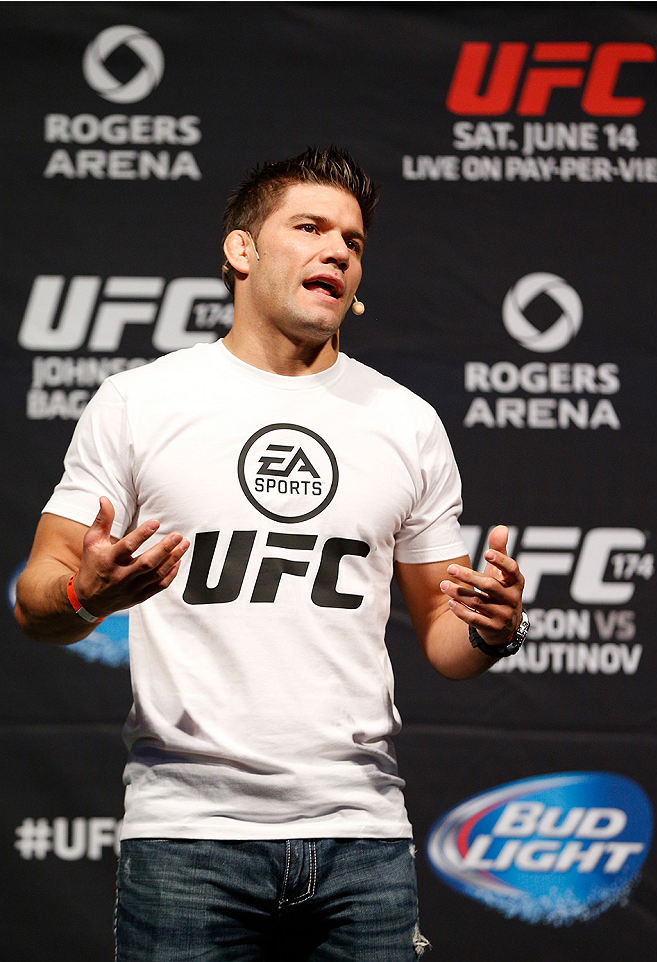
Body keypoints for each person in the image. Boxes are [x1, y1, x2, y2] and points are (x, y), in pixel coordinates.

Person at [15, 146, 527, 961]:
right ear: (241, 251)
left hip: (362, 837)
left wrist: (494, 630)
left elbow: (443, 637)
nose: (337, 251)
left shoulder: (407, 422)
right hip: (187, 838)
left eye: (353, 242)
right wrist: (88, 596)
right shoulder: (140, 403)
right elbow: (36, 597)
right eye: (311, 228)